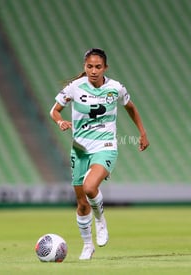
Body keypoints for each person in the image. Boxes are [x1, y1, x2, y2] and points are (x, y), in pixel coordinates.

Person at [50, 48, 149, 260]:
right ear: (84, 67)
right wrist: (60, 121)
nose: (93, 71)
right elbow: (54, 110)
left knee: (90, 187)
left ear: (105, 68)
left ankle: (101, 220)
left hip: (105, 146)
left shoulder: (115, 88)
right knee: (82, 203)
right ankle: (88, 245)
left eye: (97, 67)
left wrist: (142, 132)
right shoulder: (74, 88)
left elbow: (130, 107)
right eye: (89, 66)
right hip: (80, 148)